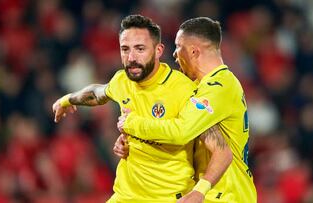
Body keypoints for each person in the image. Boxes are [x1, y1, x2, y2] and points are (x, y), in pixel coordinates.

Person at [52, 14, 214, 202]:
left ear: (158, 50)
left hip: (168, 198)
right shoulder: (122, 80)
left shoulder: (184, 89)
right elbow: (97, 93)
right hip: (125, 196)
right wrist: (67, 100)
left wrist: (200, 191)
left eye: (140, 49)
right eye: (125, 49)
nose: (131, 57)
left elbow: (219, 149)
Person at [118, 17, 257, 202]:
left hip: (228, 194)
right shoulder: (201, 86)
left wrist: (132, 124)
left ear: (193, 51)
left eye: (178, 46)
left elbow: (181, 131)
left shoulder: (219, 86)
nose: (175, 54)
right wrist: (132, 142)